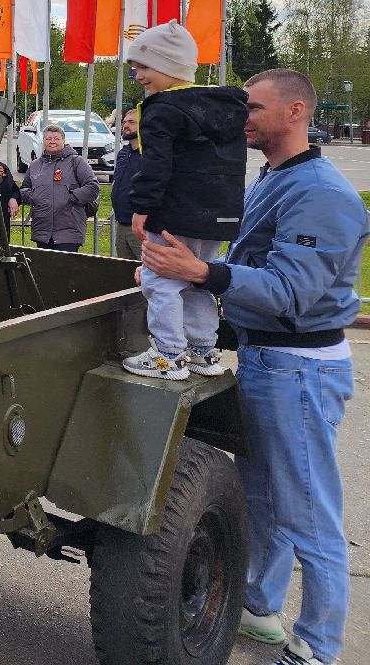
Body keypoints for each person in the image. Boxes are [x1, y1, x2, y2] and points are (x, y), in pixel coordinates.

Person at [142, 69, 367, 665]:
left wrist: (203, 276)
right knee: (260, 498)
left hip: (301, 369)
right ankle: (259, 607)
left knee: (310, 513)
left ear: (296, 111)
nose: (242, 116)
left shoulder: (324, 195)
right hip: (268, 360)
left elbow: (292, 292)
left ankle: (318, 647)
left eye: (255, 107)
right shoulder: (273, 177)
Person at [121, 20, 248, 381]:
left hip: (176, 214)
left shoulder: (161, 108)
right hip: (218, 218)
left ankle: (167, 354)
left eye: (144, 66)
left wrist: (141, 207)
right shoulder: (226, 107)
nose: (138, 75)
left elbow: (156, 164)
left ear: (169, 66)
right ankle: (203, 352)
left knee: (159, 281)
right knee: (196, 279)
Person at [20, 123, 100, 251]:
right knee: (45, 269)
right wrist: (35, 196)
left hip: (69, 231)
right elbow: (24, 190)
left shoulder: (76, 162)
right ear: (43, 141)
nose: (52, 142)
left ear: (63, 141)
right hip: (42, 231)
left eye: (56, 138)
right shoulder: (35, 165)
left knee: (65, 270)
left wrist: (70, 198)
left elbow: (93, 187)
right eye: (48, 138)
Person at [110, 108, 144, 260]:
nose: (125, 125)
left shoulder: (151, 154)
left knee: (147, 274)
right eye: (124, 122)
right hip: (121, 223)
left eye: (132, 122)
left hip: (142, 226)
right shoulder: (123, 152)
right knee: (124, 273)